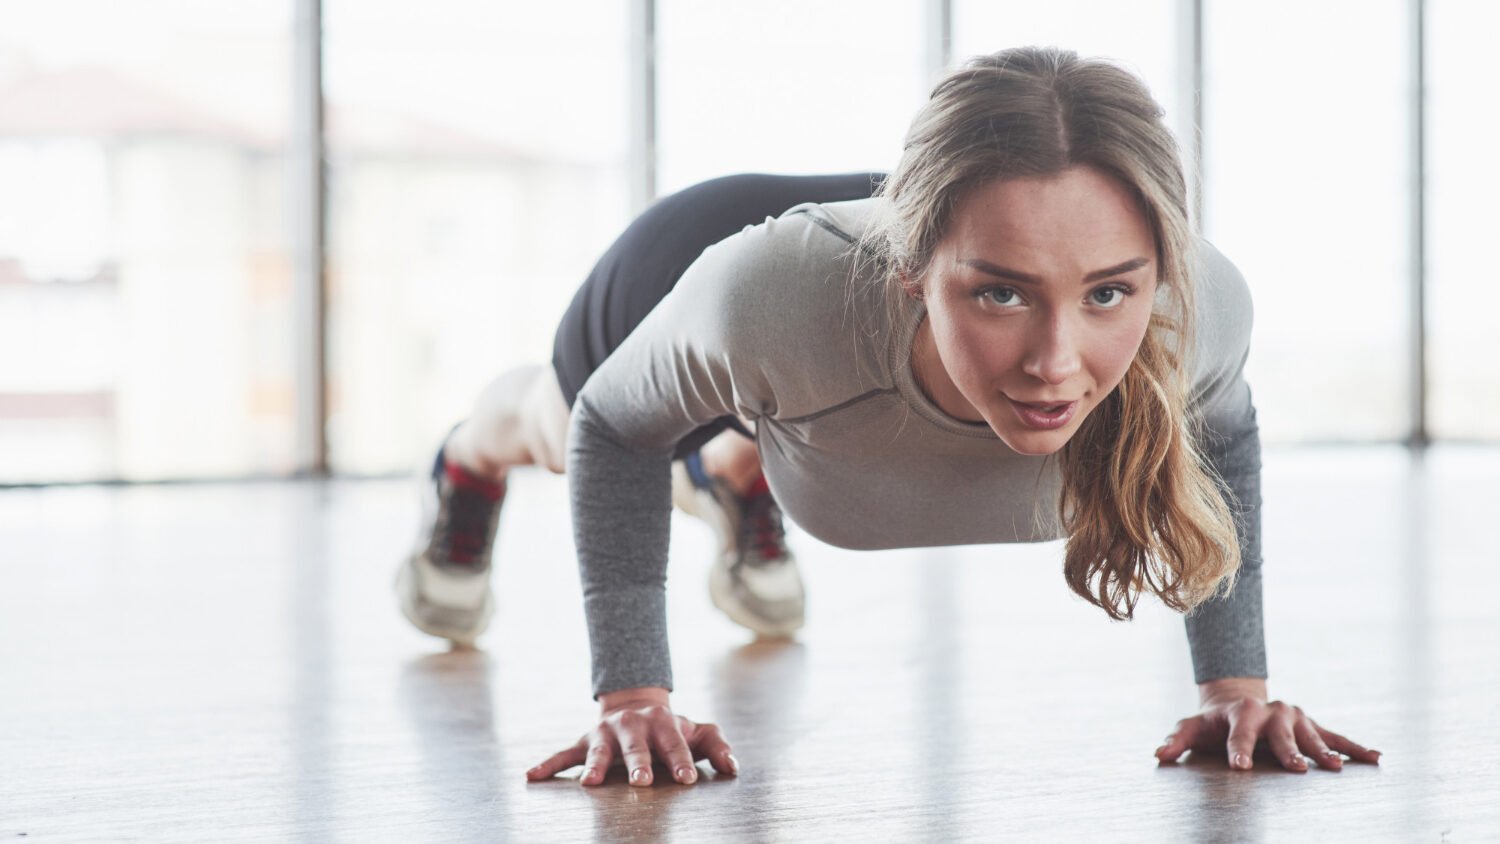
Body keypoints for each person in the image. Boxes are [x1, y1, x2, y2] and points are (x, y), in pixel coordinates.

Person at [400, 46, 1382, 788]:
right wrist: (633, 696)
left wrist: (1234, 691)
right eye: (1002, 295)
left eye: (1108, 295)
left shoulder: (1200, 312)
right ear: (915, 274)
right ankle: (470, 464)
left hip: (813, 373)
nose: (1055, 362)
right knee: (555, 425)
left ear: (1157, 274)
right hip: (712, 275)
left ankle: (737, 470)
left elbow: (1222, 441)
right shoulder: (765, 301)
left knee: (790, 407)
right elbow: (615, 427)